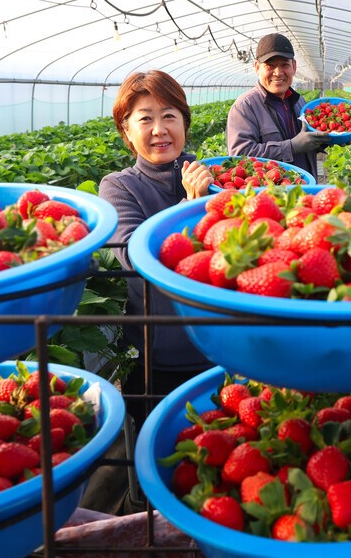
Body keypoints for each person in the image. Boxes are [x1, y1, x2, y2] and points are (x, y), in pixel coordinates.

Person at [82, 70, 214, 515]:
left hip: (223, 348)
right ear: (126, 131)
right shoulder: (119, 186)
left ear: (185, 122)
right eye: (145, 119)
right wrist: (188, 205)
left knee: (219, 454)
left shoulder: (211, 174)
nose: (160, 129)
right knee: (170, 462)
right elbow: (133, 258)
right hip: (161, 355)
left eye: (170, 116)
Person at [227, 32, 330, 178]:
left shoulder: (300, 102)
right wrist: (291, 147)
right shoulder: (245, 106)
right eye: (270, 65)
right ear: (257, 67)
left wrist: (328, 139)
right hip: (270, 196)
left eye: (284, 65)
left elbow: (307, 141)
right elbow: (240, 155)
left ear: (294, 67)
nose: (278, 72)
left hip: (306, 189)